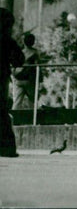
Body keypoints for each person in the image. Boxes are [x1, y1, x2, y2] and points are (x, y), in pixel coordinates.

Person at [1, 9, 25, 157]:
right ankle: (6, 148)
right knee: (2, 114)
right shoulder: (7, 41)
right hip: (1, 78)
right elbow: (19, 59)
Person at [11, 33, 39, 110]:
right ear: (33, 42)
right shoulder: (35, 53)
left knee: (17, 101)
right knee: (32, 101)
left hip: (18, 79)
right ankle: (33, 119)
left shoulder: (20, 52)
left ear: (24, 41)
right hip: (29, 80)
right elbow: (37, 66)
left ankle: (15, 120)